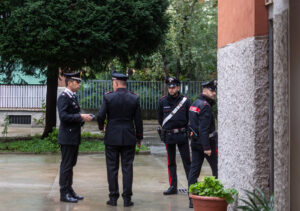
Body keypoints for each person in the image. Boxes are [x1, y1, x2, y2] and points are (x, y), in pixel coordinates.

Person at [97, 71, 143, 207]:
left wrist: (101, 127)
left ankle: (113, 198)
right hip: (128, 137)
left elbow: (100, 115)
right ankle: (127, 199)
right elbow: (138, 121)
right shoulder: (134, 98)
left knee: (112, 168)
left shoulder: (108, 97)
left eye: (113, 82)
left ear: (116, 83)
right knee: (127, 168)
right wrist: (139, 137)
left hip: (112, 137)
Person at [57, 71, 93, 203]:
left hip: (73, 136)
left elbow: (74, 115)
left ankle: (69, 189)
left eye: (79, 82)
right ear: (69, 82)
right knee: (66, 165)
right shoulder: (64, 97)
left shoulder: (73, 97)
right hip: (67, 137)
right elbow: (64, 117)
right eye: (77, 82)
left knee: (71, 164)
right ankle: (63, 193)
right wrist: (80, 117)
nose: (79, 84)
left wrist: (84, 118)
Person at [157, 77, 191, 195]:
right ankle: (173, 186)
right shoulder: (162, 101)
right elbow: (160, 118)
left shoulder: (185, 101)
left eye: (173, 87)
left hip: (182, 135)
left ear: (178, 87)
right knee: (171, 162)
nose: (171, 90)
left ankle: (191, 186)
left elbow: (189, 118)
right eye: (169, 87)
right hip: (169, 136)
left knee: (187, 162)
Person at [188, 79, 218, 208]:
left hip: (195, 142)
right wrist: (207, 147)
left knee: (194, 171)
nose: (214, 93)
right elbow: (204, 128)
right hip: (206, 143)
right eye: (211, 90)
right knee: (217, 169)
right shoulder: (205, 106)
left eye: (214, 90)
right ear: (204, 91)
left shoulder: (195, 103)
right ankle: (217, 195)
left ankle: (191, 200)